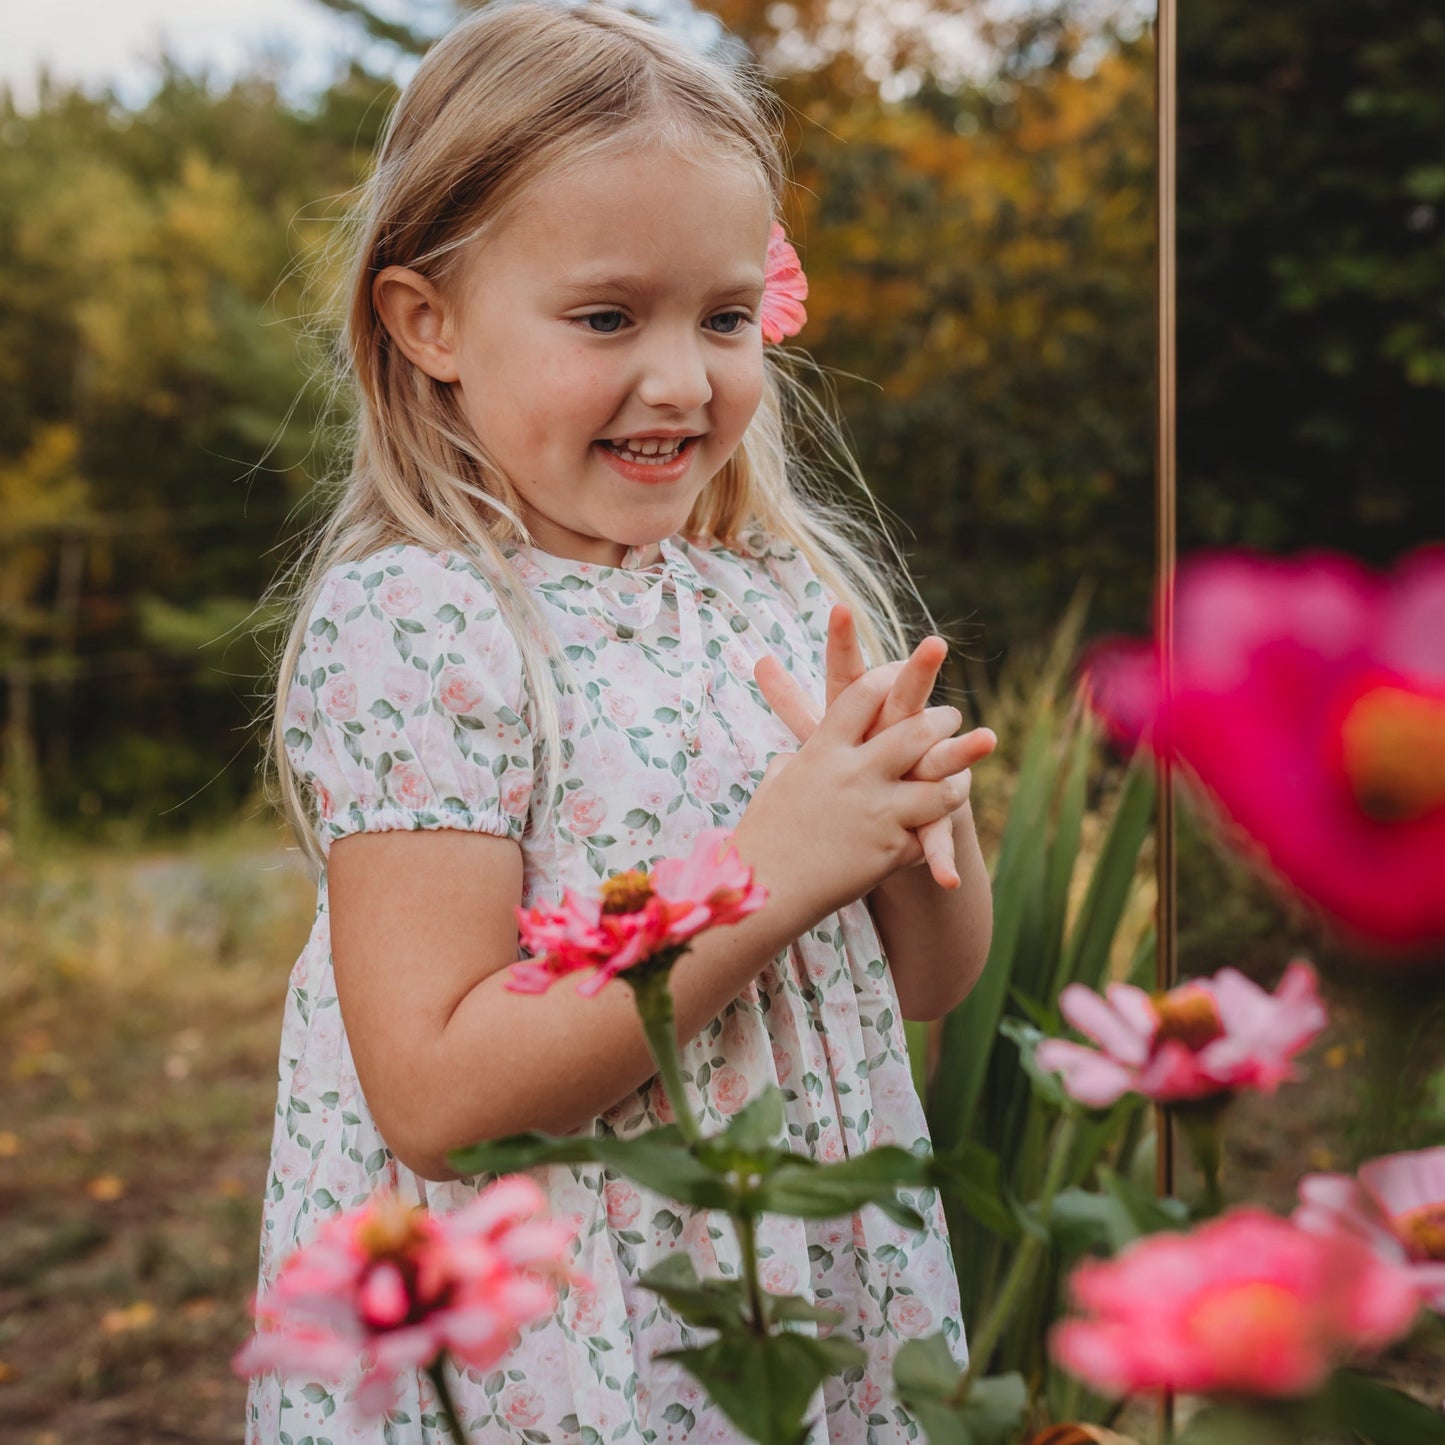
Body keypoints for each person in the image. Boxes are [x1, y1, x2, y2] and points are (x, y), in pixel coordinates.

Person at [250, 3, 996, 1440]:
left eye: (723, 317)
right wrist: (768, 868)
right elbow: (436, 1094)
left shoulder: (778, 600)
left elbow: (925, 983)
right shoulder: (426, 626)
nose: (681, 378)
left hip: (800, 1287)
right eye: (607, 317)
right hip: (577, 1323)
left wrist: (909, 831)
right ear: (430, 323)